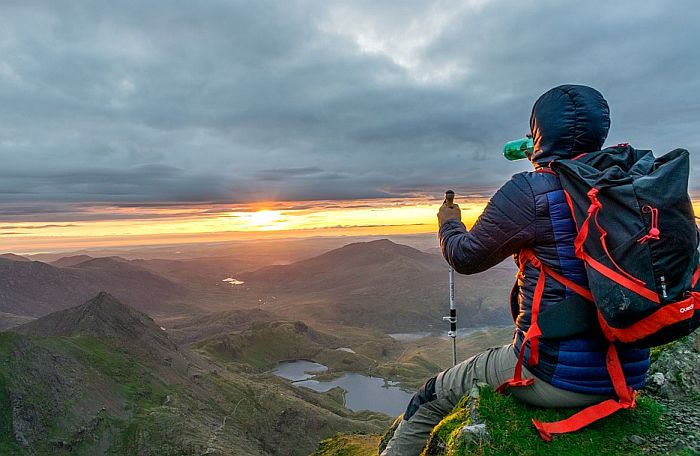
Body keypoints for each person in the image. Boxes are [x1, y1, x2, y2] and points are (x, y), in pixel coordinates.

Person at [380, 84, 651, 455]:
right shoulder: (633, 186)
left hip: (555, 376)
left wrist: (448, 222)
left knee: (429, 397)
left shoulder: (531, 190)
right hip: (631, 369)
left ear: (539, 132)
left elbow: (465, 256)